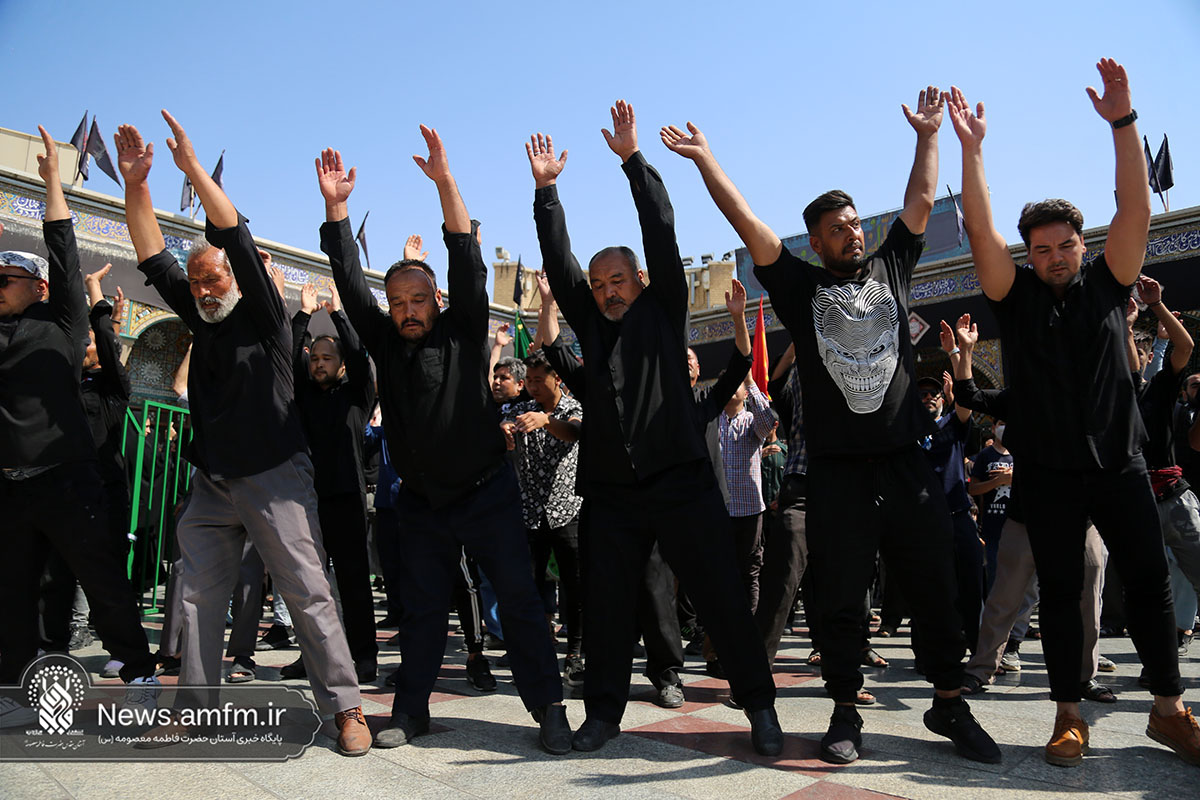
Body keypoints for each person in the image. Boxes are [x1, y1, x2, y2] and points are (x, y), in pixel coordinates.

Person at [663, 87, 1000, 765]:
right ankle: (845, 710)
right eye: (837, 229)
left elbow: (920, 200)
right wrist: (705, 160)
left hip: (906, 465)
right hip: (837, 475)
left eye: (854, 224)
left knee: (933, 585)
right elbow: (747, 221)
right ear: (816, 243)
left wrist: (928, 135)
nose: (852, 233)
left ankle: (949, 702)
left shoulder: (892, 266)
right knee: (840, 596)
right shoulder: (799, 287)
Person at [947, 58, 1197, 766]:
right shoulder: (1014, 296)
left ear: (1083, 246)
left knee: (1149, 584)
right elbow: (981, 231)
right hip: (1049, 474)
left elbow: (1137, 210)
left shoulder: (1109, 282)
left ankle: (1169, 711)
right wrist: (972, 150)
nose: (1054, 256)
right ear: (1028, 255)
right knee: (1060, 593)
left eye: (1065, 245)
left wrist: (1123, 122)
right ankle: (1068, 716)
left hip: (1121, 464)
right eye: (1041, 249)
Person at [528, 100, 782, 756]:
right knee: (608, 607)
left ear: (640, 281)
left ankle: (760, 708)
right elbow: (559, 265)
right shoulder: (591, 326)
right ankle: (602, 715)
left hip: (681, 485)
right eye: (598, 285)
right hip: (611, 495)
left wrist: (633, 162)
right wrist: (547, 193)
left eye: (618, 280)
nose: (607, 291)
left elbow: (661, 228)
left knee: (722, 598)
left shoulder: (664, 310)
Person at [114, 113, 370, 756]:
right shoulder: (200, 315)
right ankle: (192, 711)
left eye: (215, 278)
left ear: (240, 277)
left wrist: (192, 170)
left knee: (308, 592)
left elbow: (231, 230)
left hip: (276, 476)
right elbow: (151, 254)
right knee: (197, 598)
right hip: (212, 482)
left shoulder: (264, 316)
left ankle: (345, 708)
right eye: (197, 281)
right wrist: (137, 186)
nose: (204, 289)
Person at [316, 131, 569, 754]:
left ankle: (549, 709)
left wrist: (445, 182)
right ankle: (410, 711)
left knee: (520, 601)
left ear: (437, 300)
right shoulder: (383, 341)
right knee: (422, 609)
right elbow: (349, 281)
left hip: (487, 494)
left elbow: (464, 253)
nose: (407, 311)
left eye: (417, 300)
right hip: (422, 505)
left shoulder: (463, 328)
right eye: (397, 302)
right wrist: (337, 209)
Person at [1, 127, 159, 707]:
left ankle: (138, 675)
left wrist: (51, 181)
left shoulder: (62, 323)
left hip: (67, 479)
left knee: (102, 581)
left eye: (5, 281)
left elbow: (64, 249)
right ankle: (16, 688)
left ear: (37, 286)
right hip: (9, 486)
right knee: (15, 593)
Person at [278, 281, 378, 684]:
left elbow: (359, 355)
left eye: (327, 358)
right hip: (305, 500)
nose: (319, 364)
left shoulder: (357, 396)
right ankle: (313, 656)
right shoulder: (303, 396)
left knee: (353, 583)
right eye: (315, 358)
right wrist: (303, 315)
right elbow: (289, 357)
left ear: (341, 365)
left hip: (346, 499)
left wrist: (338, 313)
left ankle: (364, 656)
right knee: (309, 585)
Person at [500, 350, 586, 686]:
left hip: (568, 511)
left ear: (557, 378)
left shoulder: (574, 407)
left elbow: (574, 432)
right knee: (530, 589)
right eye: (529, 381)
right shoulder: (519, 410)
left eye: (539, 380)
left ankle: (576, 654)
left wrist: (547, 421)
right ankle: (537, 651)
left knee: (575, 589)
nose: (533, 387)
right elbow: (501, 428)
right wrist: (504, 430)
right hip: (530, 514)